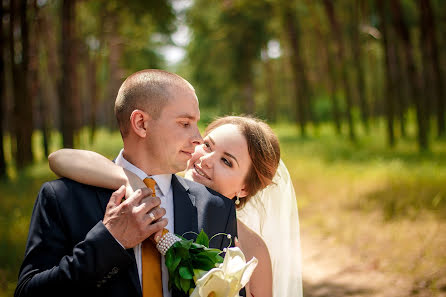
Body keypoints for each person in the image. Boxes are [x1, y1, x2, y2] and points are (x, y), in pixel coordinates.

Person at [15, 70, 238, 297]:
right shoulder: (63, 197)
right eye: (184, 123)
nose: (198, 138)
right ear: (140, 123)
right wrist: (111, 240)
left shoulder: (216, 208)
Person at [48, 116, 303, 297]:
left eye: (226, 161)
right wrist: (131, 180)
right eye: (207, 145)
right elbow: (60, 159)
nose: (205, 160)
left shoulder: (253, 248)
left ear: (245, 188)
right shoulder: (155, 193)